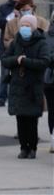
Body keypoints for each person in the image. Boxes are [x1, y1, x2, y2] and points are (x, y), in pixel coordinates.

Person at [2, 15, 49, 159]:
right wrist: (17, 60)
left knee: (32, 120)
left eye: (28, 26)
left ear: (34, 27)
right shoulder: (16, 41)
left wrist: (26, 61)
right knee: (20, 119)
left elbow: (44, 62)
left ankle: (32, 147)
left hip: (33, 87)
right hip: (18, 86)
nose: (25, 28)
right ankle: (23, 147)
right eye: (23, 25)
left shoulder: (41, 42)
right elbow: (5, 59)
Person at [0, 0, 23, 107]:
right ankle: (1, 98)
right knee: (5, 74)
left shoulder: (25, 7)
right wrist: (11, 16)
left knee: (19, 75)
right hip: (6, 46)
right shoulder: (4, 7)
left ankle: (16, 98)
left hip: (21, 46)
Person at [44, 11, 54, 153]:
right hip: (50, 79)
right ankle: (53, 138)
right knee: (52, 111)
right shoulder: (47, 36)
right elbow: (46, 56)